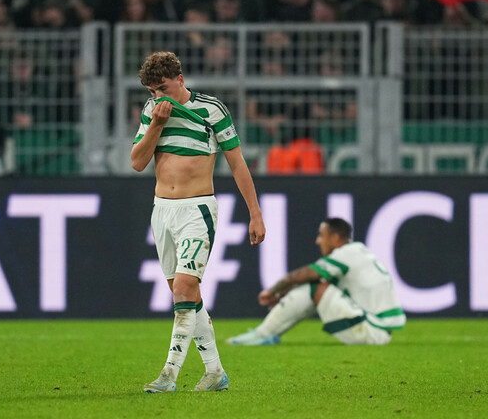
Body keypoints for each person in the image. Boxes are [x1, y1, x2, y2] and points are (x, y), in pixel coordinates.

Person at [132, 51, 266, 392]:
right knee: (187, 296)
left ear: (180, 79)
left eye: (163, 88)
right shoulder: (152, 111)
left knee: (183, 289)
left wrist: (255, 213)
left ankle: (169, 375)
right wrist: (157, 123)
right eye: (152, 92)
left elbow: (237, 163)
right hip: (162, 211)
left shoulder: (212, 110)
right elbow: (137, 162)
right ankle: (215, 372)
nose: (158, 97)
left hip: (197, 209)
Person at [227, 218, 406, 346]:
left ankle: (263, 334)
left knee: (315, 286)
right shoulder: (358, 250)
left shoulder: (345, 254)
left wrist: (273, 291)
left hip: (370, 330)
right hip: (381, 331)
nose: (318, 241)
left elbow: (307, 274)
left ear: (335, 238)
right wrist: (285, 292)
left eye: (321, 235)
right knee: (317, 285)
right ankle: (265, 333)